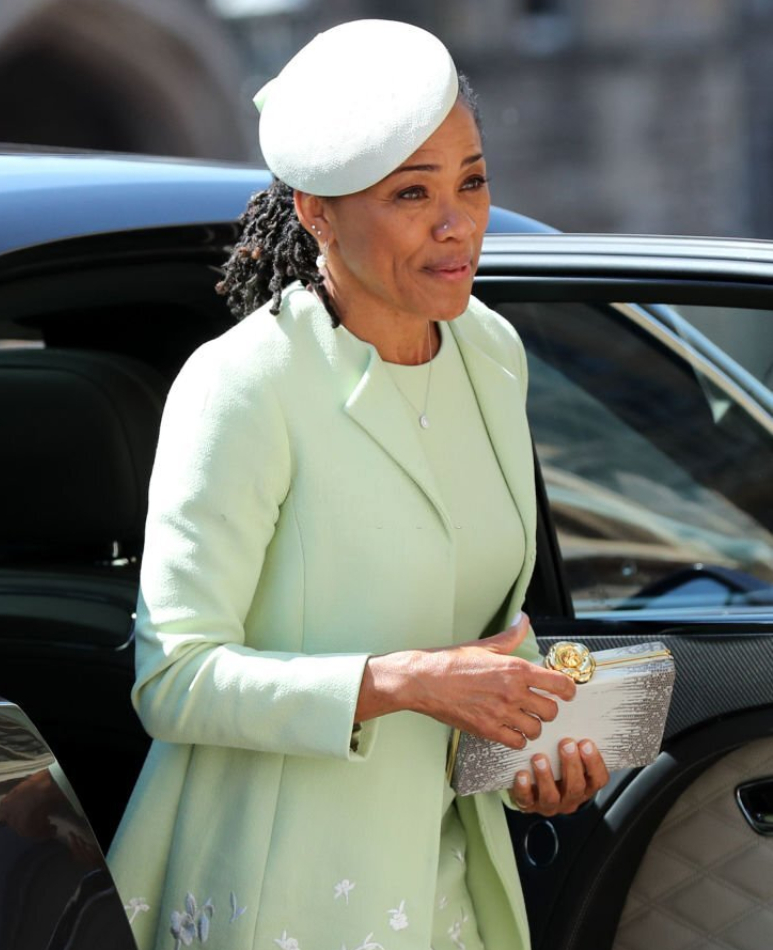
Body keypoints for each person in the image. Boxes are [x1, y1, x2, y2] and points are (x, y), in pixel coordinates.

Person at [108, 19, 608, 950]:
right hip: (283, 888)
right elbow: (172, 680)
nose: (456, 222)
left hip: (455, 875)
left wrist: (529, 744)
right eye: (411, 193)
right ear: (315, 212)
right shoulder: (246, 384)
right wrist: (405, 682)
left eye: (473, 179)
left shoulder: (492, 354)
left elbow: (481, 622)